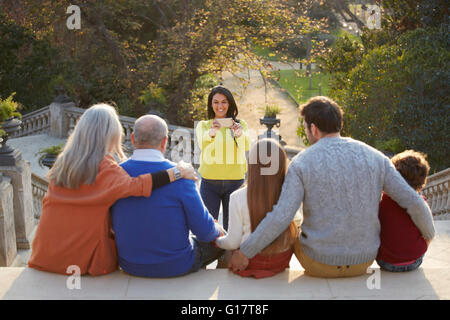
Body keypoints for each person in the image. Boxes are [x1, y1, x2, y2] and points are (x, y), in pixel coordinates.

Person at [228, 96, 435, 278]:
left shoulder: (301, 163)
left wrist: (245, 252)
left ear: (314, 129)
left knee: (295, 225)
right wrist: (429, 235)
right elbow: (413, 201)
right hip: (362, 263)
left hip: (317, 264)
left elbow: (282, 216)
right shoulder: (376, 158)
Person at [28, 104, 197, 276]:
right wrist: (177, 172)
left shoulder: (63, 163)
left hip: (45, 254)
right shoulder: (104, 167)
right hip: (79, 261)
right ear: (111, 134)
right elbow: (137, 185)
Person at [111, 115, 225, 278]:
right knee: (222, 238)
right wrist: (218, 229)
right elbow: (205, 232)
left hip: (129, 263)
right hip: (175, 264)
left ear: (133, 139)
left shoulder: (116, 174)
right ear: (165, 142)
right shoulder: (182, 176)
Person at [215, 139, 298, 279]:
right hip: (281, 260)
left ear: (251, 165)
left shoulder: (237, 197)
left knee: (223, 252)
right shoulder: (288, 196)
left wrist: (217, 237)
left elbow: (233, 242)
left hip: (248, 262)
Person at [195, 85, 250, 231]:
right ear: (211, 104)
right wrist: (213, 131)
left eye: (224, 102)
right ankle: (210, 253)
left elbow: (246, 146)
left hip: (235, 182)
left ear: (230, 103)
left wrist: (239, 134)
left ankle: (230, 254)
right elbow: (202, 144)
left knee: (233, 227)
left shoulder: (241, 124)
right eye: (216, 102)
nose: (220, 106)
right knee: (208, 226)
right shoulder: (204, 125)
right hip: (210, 182)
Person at [376, 150, 431, 272]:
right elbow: (429, 233)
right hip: (414, 261)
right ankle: (411, 254)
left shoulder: (382, 200)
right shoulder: (420, 202)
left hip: (385, 262)